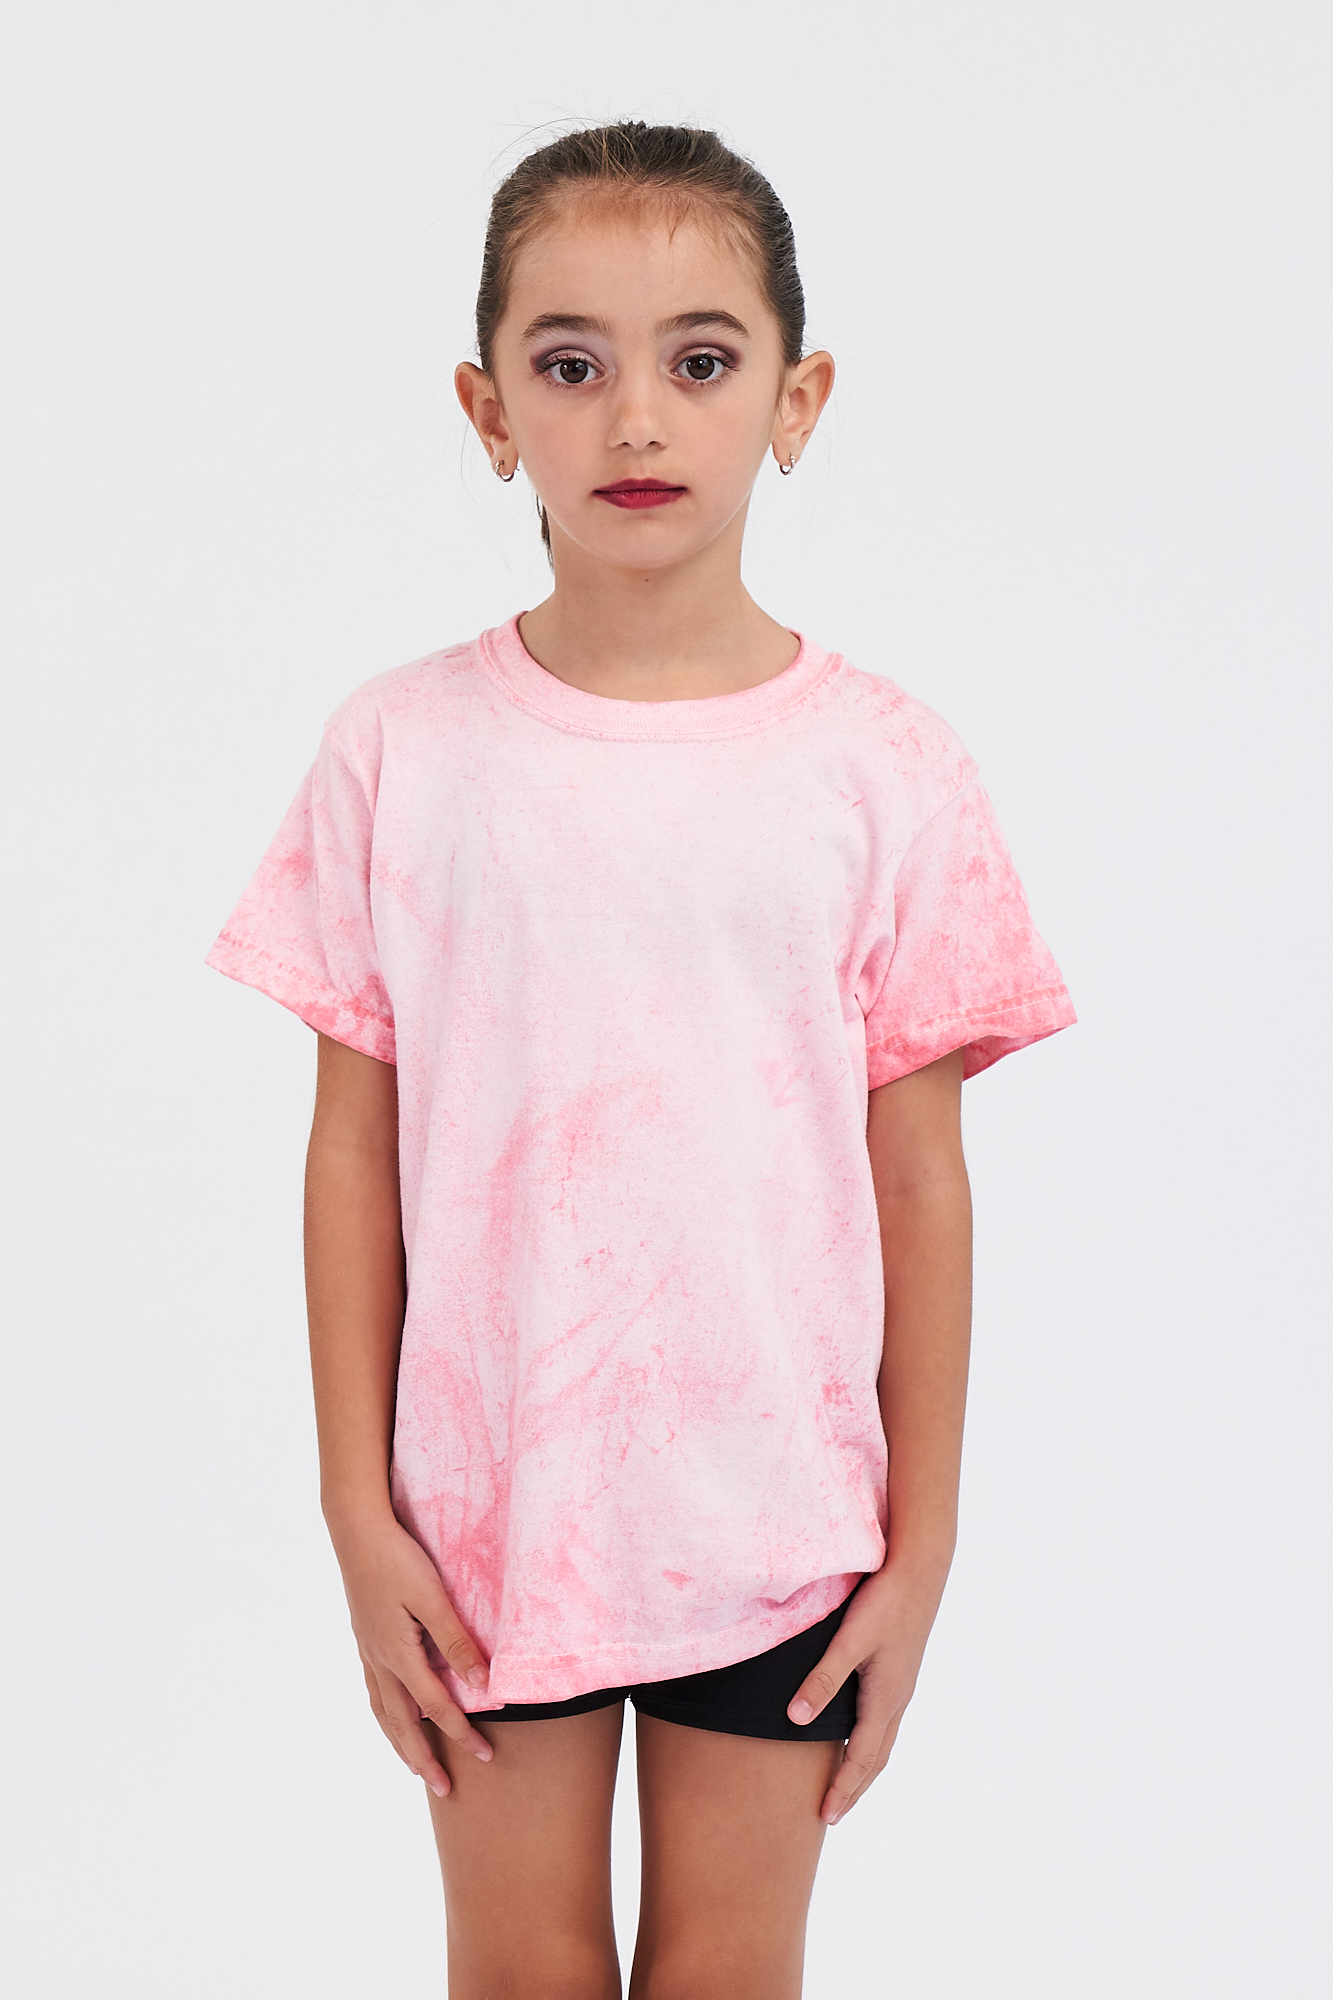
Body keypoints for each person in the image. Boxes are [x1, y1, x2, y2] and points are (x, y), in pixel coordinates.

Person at [208, 121, 1075, 1999]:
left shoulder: (886, 770)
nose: (634, 418)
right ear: (486, 408)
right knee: (518, 1972)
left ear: (794, 399)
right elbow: (351, 1152)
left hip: (780, 1519)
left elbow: (919, 1180)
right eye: (568, 361)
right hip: (485, 1519)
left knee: (724, 1977)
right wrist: (357, 1516)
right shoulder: (400, 750)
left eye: (698, 359)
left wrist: (919, 1551)